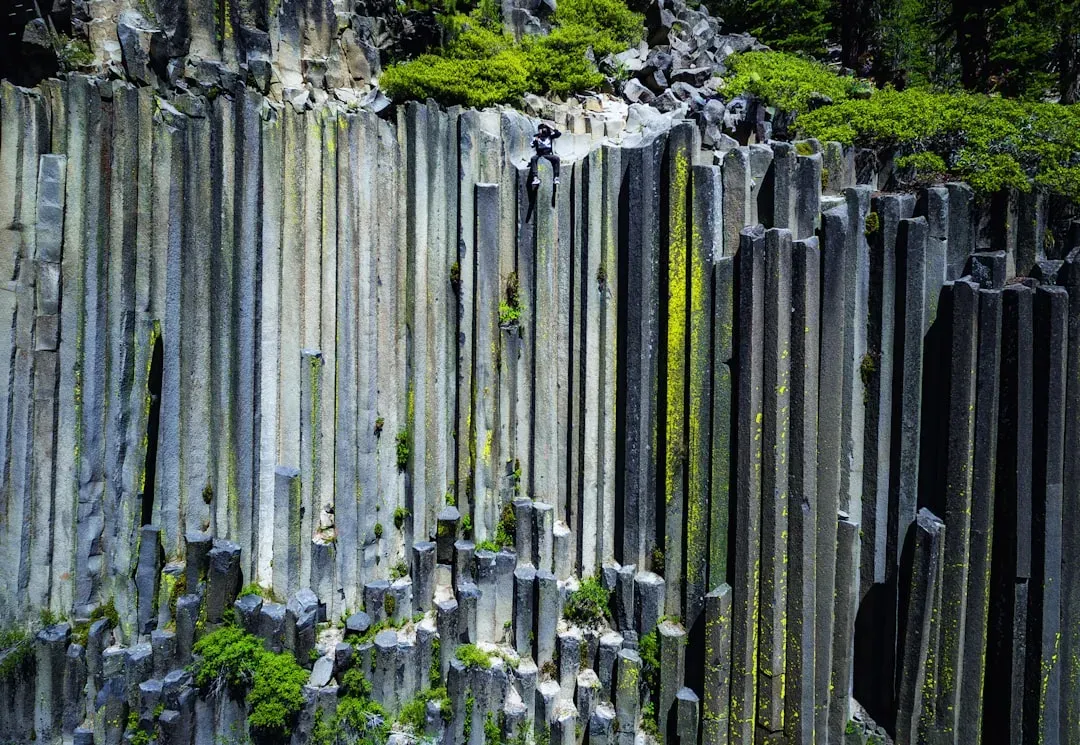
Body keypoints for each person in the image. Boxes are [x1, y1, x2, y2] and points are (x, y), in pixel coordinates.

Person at [529, 123, 561, 187]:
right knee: (533, 158)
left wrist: (550, 126)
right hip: (539, 154)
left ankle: (556, 177)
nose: (543, 130)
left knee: (556, 158)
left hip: (548, 154)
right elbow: (532, 145)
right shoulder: (536, 136)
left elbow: (558, 133)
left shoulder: (550, 135)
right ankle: (535, 178)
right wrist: (535, 140)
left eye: (544, 129)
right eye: (541, 129)